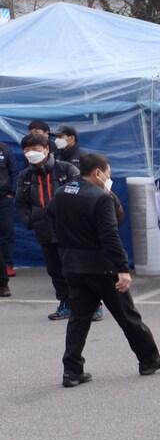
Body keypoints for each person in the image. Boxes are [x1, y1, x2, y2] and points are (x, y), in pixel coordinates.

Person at [51, 152, 160, 387]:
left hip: (72, 264)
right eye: (108, 173)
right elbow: (110, 236)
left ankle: (71, 370)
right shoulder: (101, 198)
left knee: (78, 319)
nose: (109, 177)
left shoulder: (62, 192)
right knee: (127, 315)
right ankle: (149, 359)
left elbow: (50, 218)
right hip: (101, 267)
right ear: (98, 172)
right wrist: (122, 268)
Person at [16, 131, 81, 319]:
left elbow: (81, 195)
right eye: (26, 150)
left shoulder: (66, 169)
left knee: (77, 268)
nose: (30, 153)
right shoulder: (25, 176)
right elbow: (21, 202)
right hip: (44, 229)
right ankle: (65, 303)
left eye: (34, 149)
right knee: (55, 269)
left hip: (69, 229)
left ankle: (92, 304)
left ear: (46, 149)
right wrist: (31, 219)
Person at [0, 136, 14, 294]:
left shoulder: (4, 149)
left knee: (6, 232)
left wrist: (12, 192)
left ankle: (7, 267)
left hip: (3, 197)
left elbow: (14, 171)